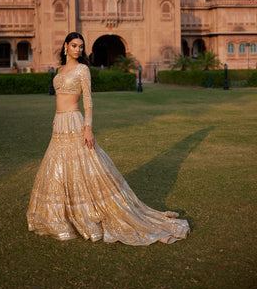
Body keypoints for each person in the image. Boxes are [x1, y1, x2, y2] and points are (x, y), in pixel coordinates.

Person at [27, 32, 190, 245]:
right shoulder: (59, 71)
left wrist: (88, 128)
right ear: (65, 46)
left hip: (76, 123)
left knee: (84, 166)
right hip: (59, 124)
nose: (78, 50)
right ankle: (63, 215)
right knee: (58, 168)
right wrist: (54, 120)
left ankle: (89, 212)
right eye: (74, 45)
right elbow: (59, 98)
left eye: (81, 47)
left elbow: (88, 100)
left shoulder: (82, 69)